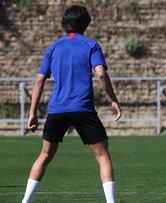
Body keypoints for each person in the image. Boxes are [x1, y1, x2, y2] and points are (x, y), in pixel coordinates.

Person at [21, 5, 122, 203]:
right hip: (83, 109)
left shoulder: (53, 48)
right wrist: (113, 99)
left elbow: (40, 80)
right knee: (103, 156)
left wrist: (32, 112)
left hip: (57, 110)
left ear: (64, 24)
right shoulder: (91, 45)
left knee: (45, 155)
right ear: (86, 24)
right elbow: (101, 73)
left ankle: (26, 201)